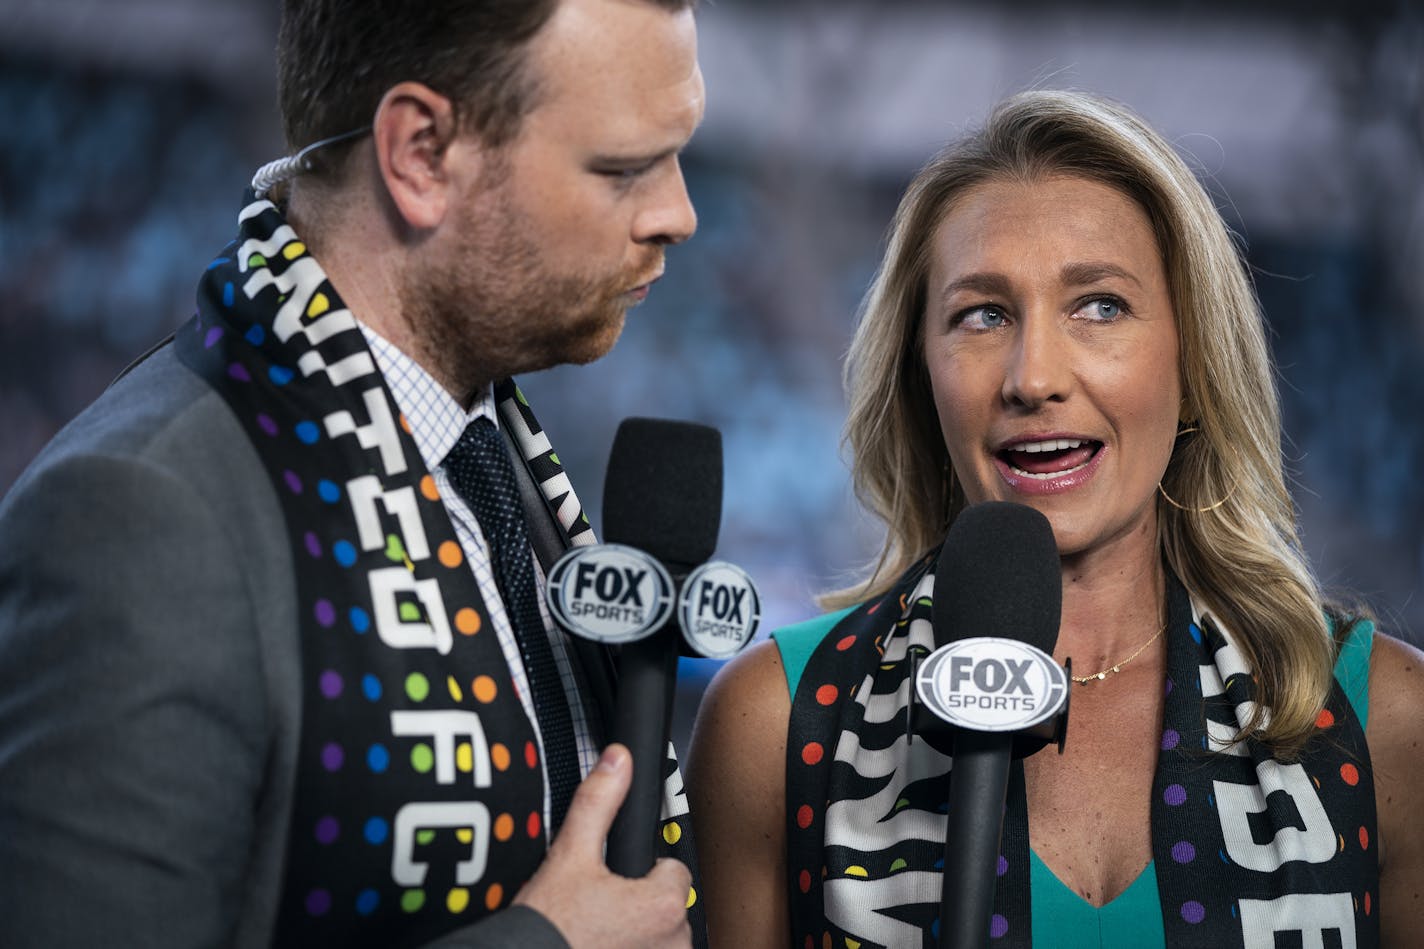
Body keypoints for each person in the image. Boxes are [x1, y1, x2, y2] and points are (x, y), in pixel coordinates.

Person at [0, 0, 707, 946]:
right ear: (421, 153)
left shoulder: (492, 463)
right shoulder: (143, 514)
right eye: (623, 168)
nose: (679, 214)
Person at [687, 90, 1424, 948]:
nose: (1033, 376)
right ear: (922, 377)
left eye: (1100, 305)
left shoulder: (1388, 721)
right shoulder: (773, 724)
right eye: (982, 314)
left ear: (1193, 362)